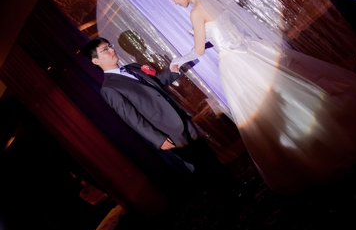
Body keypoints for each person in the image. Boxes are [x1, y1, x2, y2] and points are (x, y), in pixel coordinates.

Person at [162, 0, 356, 194]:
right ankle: (328, 128)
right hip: (250, 50)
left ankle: (305, 150)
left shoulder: (196, 12)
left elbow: (199, 51)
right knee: (288, 93)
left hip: (236, 63)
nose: (175, 3)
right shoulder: (213, 0)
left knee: (267, 110)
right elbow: (225, 32)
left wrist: (178, 60)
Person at [81, 37, 239, 194]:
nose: (111, 50)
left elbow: (158, 81)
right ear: (95, 61)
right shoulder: (109, 88)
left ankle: (235, 187)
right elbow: (132, 118)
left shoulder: (133, 67)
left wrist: (178, 66)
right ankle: (226, 196)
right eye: (105, 50)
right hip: (166, 130)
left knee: (208, 156)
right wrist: (157, 139)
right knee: (200, 166)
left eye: (110, 46)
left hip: (180, 117)